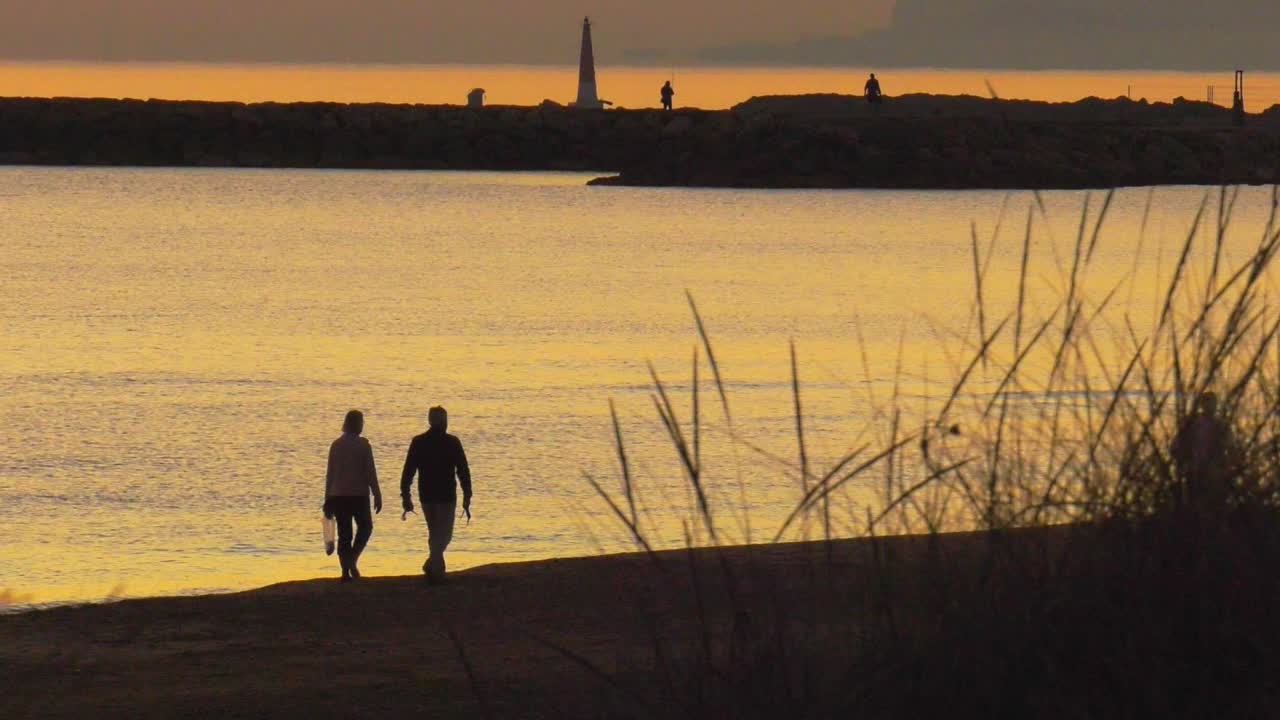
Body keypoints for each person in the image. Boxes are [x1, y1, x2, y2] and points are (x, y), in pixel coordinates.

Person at [401, 406, 472, 584]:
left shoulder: (419, 442)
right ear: (443, 422)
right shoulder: (451, 442)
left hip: (427, 494)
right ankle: (435, 569)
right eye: (444, 420)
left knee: (436, 534)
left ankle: (433, 566)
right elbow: (463, 470)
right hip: (444, 494)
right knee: (444, 535)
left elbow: (408, 471)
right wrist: (467, 493)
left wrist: (406, 494)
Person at [323, 410, 383, 582]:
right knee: (365, 528)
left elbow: (330, 474)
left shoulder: (336, 445)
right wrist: (377, 493)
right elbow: (370, 472)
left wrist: (327, 498)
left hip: (338, 495)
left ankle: (345, 570)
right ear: (356, 424)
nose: (362, 425)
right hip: (358, 495)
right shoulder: (363, 445)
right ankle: (352, 559)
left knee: (344, 534)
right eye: (361, 422)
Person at [1171, 392, 1236, 510]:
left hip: (1214, 471)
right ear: (1202, 404)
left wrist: (1227, 466)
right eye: (1207, 402)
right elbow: (1176, 446)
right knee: (1194, 503)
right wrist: (1184, 463)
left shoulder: (1221, 425)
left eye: (1212, 402)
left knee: (1213, 503)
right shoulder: (1193, 424)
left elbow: (1231, 447)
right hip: (1194, 470)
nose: (1209, 406)